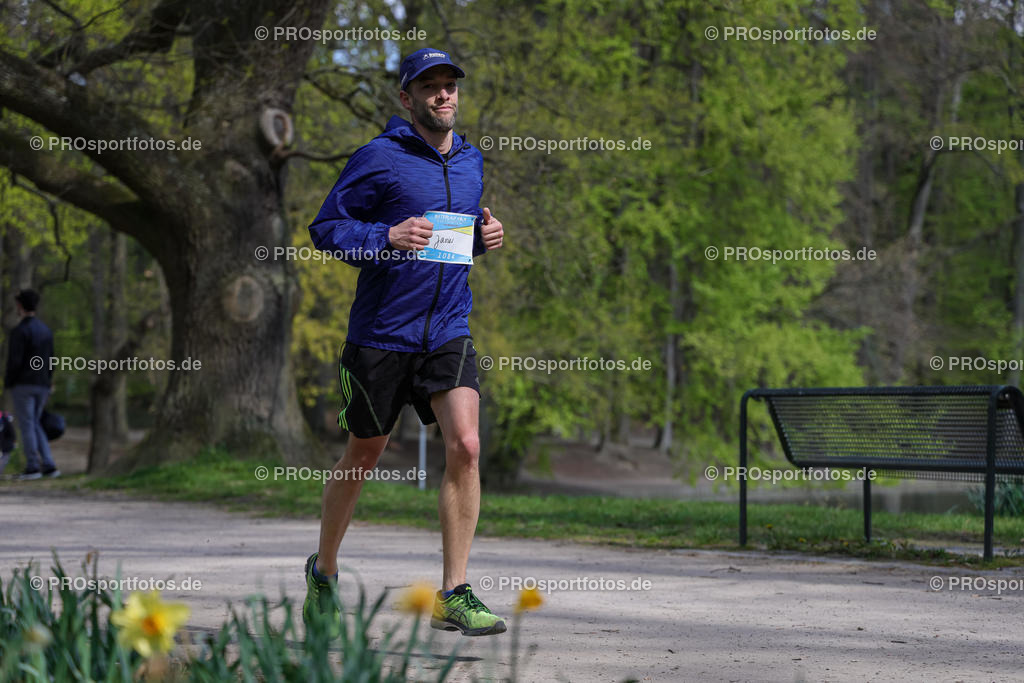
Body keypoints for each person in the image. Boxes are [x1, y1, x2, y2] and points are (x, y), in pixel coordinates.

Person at [305, 47, 506, 636]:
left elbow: (452, 240)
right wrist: (385, 236)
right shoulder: (379, 157)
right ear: (407, 97)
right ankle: (324, 570)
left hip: (448, 327)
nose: (443, 95)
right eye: (430, 86)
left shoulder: (471, 160)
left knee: (466, 445)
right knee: (363, 455)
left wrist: (483, 237)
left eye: (450, 85)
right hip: (382, 333)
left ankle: (454, 592)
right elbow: (327, 229)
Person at [4, 289, 59, 480]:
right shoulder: (46, 331)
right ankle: (49, 464)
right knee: (35, 423)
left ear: (20, 306)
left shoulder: (20, 331)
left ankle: (33, 466)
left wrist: (9, 382)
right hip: (42, 384)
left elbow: (15, 361)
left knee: (27, 424)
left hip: (24, 384)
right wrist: (48, 380)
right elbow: (51, 360)